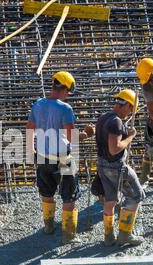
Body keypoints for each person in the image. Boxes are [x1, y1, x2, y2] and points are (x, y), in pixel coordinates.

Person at [26, 71, 95, 243]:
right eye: (68, 92)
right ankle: (69, 234)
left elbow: (29, 130)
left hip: (42, 156)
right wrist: (87, 134)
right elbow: (71, 137)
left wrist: (31, 152)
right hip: (63, 158)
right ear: (64, 88)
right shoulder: (65, 109)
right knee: (69, 195)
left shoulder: (38, 104)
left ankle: (48, 226)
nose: (68, 96)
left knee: (47, 192)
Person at [95, 89, 145, 247]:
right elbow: (114, 149)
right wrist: (130, 137)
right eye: (131, 109)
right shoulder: (116, 122)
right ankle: (125, 235)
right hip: (116, 167)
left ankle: (109, 237)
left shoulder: (104, 117)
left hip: (102, 166)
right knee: (136, 196)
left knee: (110, 200)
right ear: (127, 105)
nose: (131, 113)